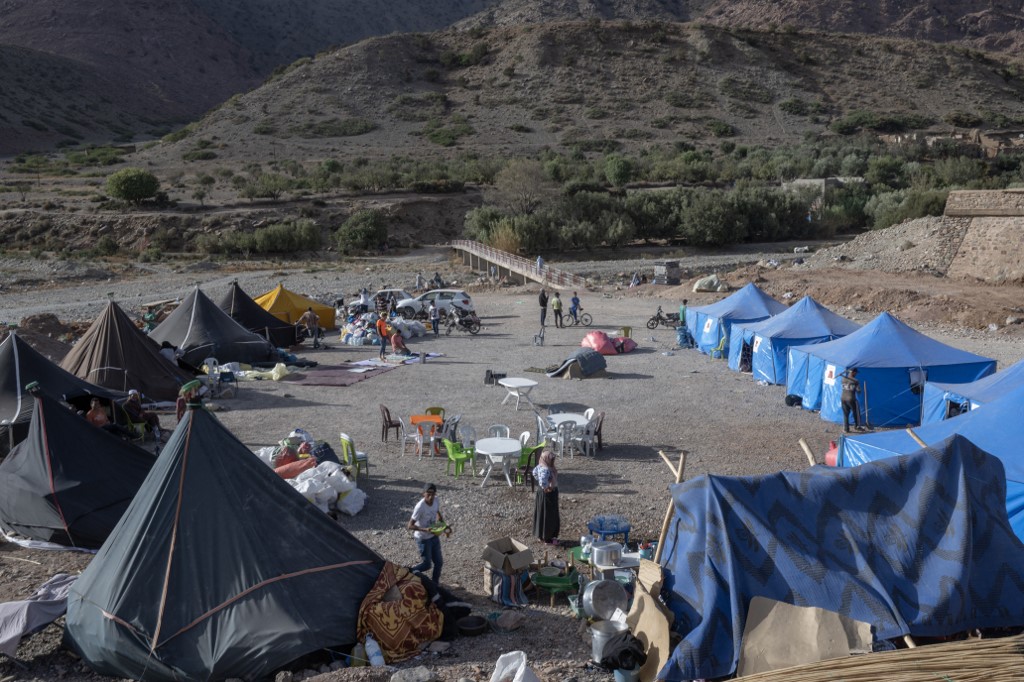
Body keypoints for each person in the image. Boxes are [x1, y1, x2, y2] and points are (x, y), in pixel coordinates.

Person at [408, 483, 447, 585]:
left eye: (433, 494)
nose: (431, 497)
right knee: (427, 565)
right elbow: (410, 526)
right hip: (423, 538)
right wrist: (425, 529)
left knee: (439, 563)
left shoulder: (436, 500)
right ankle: (409, 572)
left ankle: (435, 584)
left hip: (434, 535)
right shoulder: (420, 507)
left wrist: (441, 521)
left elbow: (437, 510)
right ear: (423, 494)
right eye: (428, 494)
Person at [532, 448, 560, 544]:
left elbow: (534, 472)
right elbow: (543, 480)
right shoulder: (546, 469)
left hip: (542, 493)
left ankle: (541, 535)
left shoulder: (541, 465)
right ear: (547, 459)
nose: (552, 461)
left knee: (541, 513)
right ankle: (547, 537)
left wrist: (542, 485)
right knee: (548, 516)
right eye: (551, 459)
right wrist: (547, 487)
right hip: (548, 494)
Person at [841, 368, 862, 433]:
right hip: (851, 398)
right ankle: (857, 426)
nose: (856, 374)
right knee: (856, 413)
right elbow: (858, 391)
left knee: (845, 414)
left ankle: (846, 429)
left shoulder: (843, 379)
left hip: (843, 398)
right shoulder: (855, 381)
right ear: (853, 372)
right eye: (855, 373)